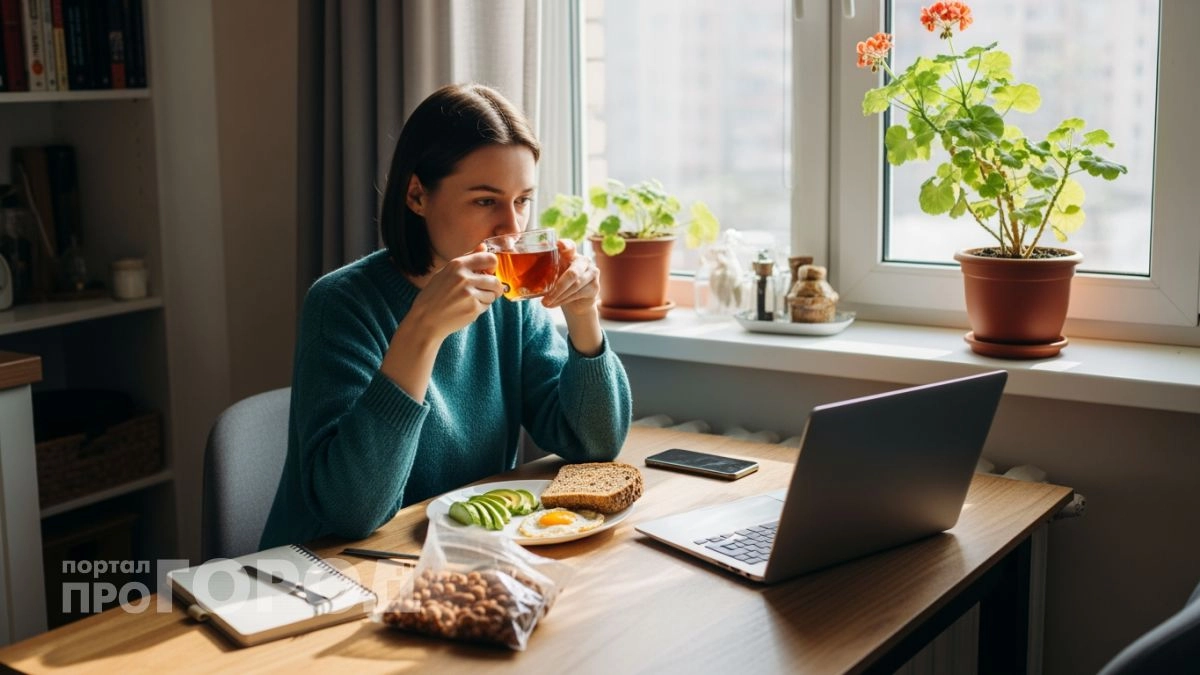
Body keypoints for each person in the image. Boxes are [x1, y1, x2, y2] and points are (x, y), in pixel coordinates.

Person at [260, 83, 632, 547]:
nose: (512, 228)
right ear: (417, 195)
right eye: (485, 201)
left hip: (458, 554)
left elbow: (595, 445)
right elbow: (351, 513)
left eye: (522, 200)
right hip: (326, 574)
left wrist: (583, 317)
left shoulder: (507, 299)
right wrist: (422, 331)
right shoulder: (341, 304)